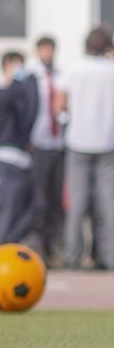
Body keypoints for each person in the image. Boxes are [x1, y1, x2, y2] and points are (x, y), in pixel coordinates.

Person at [62, 26, 114, 271]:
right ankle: (109, 257)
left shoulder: (74, 69)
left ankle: (73, 256)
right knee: (109, 204)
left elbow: (59, 105)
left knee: (77, 203)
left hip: (78, 141)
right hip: (107, 142)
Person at [0, 50, 41, 246]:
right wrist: (27, 80)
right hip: (7, 156)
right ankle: (2, 246)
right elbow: (17, 93)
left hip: (23, 157)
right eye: (18, 65)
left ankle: (10, 241)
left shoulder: (22, 90)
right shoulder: (0, 91)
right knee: (10, 207)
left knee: (36, 204)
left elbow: (32, 107)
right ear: (7, 65)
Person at [28, 34, 67, 260]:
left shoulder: (62, 77)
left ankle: (53, 245)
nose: (48, 54)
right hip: (39, 143)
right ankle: (38, 243)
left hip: (58, 143)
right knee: (39, 197)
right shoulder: (32, 79)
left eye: (51, 49)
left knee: (55, 198)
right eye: (44, 49)